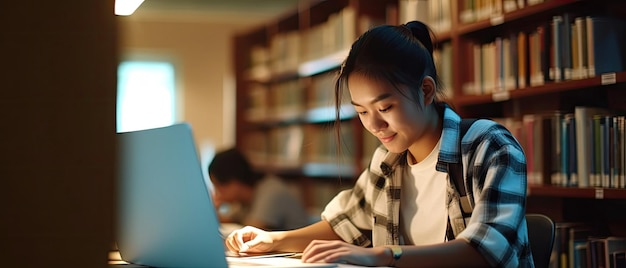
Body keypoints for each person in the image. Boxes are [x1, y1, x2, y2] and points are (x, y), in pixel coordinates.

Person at [224, 21, 533, 267]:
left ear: (426, 92)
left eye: (385, 108)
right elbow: (345, 225)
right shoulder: (387, 160)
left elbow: (486, 251)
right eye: (361, 111)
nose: (373, 125)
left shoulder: (488, 146)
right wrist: (273, 240)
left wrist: (385, 255)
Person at [208, 147, 310, 231]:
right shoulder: (246, 197)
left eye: (218, 186)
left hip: (300, 253)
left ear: (234, 182)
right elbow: (231, 220)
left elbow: (253, 230)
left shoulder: (272, 192)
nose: (217, 193)